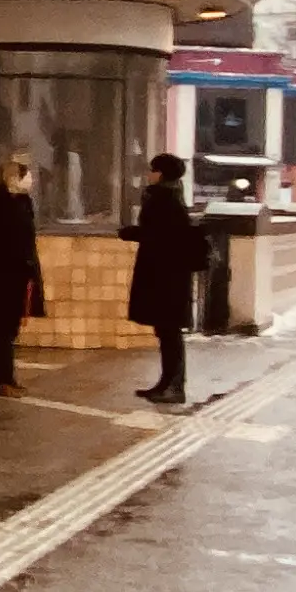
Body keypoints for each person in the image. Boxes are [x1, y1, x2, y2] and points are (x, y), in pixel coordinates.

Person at [130, 151, 209, 406]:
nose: (148, 173)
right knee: (165, 331)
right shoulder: (169, 196)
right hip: (165, 274)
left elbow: (162, 237)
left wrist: (134, 233)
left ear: (161, 173)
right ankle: (166, 382)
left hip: (167, 276)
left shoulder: (166, 200)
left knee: (170, 331)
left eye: (153, 169)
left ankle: (175, 386)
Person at [0, 158, 42, 397]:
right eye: (27, 175)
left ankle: (7, 377)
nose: (31, 180)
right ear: (14, 179)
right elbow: (3, 246)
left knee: (9, 330)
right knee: (0, 330)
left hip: (16, 278)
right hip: (3, 278)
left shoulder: (21, 206)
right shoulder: (4, 210)